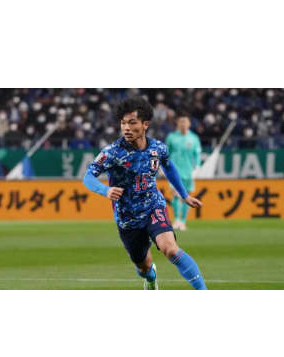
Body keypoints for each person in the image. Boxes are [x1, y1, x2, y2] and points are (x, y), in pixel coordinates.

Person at [83, 97, 207, 290]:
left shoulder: (158, 148)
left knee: (171, 249)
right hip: (127, 218)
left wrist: (184, 195)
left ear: (145, 124)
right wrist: (104, 190)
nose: (126, 128)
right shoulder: (112, 152)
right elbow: (88, 176)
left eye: (132, 123)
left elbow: (169, 167)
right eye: (123, 123)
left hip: (153, 207)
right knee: (144, 266)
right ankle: (150, 277)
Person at [165, 112, 202, 231]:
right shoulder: (171, 137)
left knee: (187, 196)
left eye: (185, 122)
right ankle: (176, 220)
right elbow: (166, 153)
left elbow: (197, 154)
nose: (183, 124)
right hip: (174, 171)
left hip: (188, 171)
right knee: (175, 195)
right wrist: (163, 167)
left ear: (189, 124)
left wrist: (197, 168)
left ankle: (183, 222)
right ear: (178, 123)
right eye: (181, 122)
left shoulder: (194, 138)